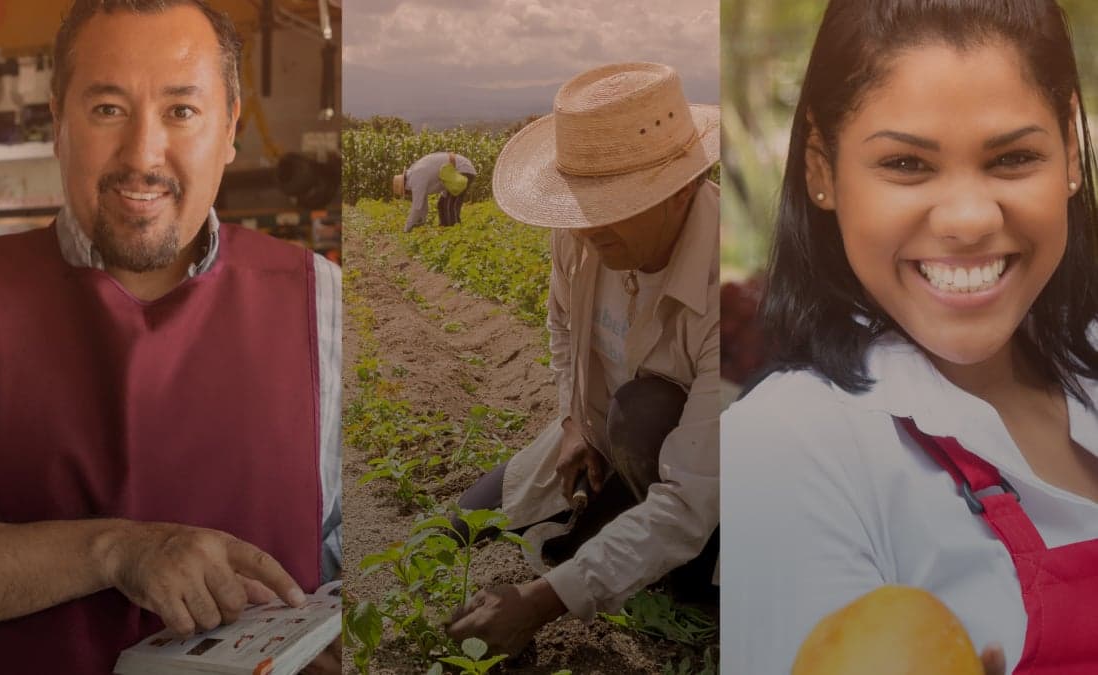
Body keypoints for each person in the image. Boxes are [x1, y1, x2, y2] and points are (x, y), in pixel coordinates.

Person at [720, 1, 1098, 674]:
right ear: (820, 167)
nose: (967, 219)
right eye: (906, 164)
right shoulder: (787, 449)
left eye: (1013, 157)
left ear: (1070, 151)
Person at [0, 2, 341, 674]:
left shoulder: (325, 301)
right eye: (107, 108)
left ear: (229, 127)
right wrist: (115, 550)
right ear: (58, 122)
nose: (142, 155)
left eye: (181, 111)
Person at [444, 62, 720, 657]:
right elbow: (563, 324)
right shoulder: (578, 235)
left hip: (710, 485)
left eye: (614, 203)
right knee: (456, 528)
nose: (587, 226)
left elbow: (692, 497)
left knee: (642, 411)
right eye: (581, 203)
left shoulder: (742, 293)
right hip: (603, 443)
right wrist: (573, 421)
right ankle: (607, 520)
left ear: (681, 191)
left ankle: (696, 572)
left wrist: (540, 604)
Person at [394, 151, 477, 232]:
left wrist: (407, 228)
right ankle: (445, 231)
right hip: (454, 174)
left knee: (450, 205)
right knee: (441, 204)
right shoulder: (415, 174)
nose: (409, 194)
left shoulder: (415, 180)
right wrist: (421, 222)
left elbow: (417, 207)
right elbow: (423, 206)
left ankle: (455, 233)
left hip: (462, 169)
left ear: (405, 187)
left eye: (406, 193)